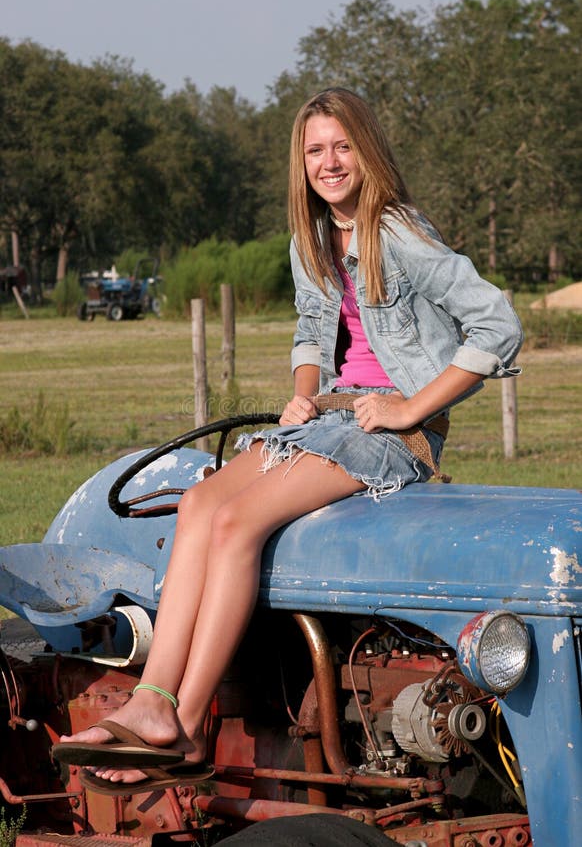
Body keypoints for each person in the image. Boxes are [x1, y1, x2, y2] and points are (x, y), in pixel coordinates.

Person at [54, 87, 523, 791]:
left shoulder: (395, 232)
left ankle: (180, 722)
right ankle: (152, 700)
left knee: (238, 522)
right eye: (314, 151)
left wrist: (410, 408)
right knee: (199, 505)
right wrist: (304, 391)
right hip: (332, 417)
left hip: (389, 436)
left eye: (341, 147)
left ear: (366, 152)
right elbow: (314, 332)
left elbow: (498, 324)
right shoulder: (314, 240)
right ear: (300, 165)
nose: (328, 162)